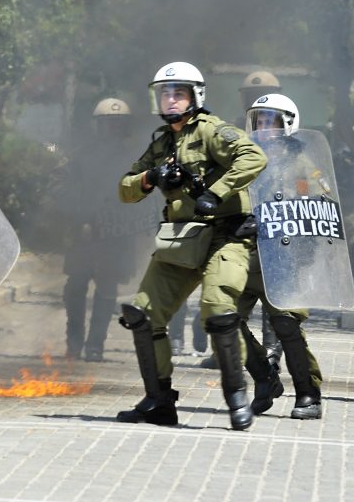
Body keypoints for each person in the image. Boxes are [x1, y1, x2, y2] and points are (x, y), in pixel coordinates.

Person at [116, 61, 266, 430]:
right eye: (164, 93)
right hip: (181, 240)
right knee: (143, 314)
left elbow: (254, 157)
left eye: (178, 93)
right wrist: (151, 177)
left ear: (196, 96)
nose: (170, 100)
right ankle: (159, 402)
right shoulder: (162, 143)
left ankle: (236, 396)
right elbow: (125, 189)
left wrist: (216, 193)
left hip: (225, 237)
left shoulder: (213, 131)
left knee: (217, 310)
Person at [239, 93, 323, 419]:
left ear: (287, 124)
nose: (263, 127)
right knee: (225, 320)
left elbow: (317, 211)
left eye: (270, 120)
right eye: (259, 120)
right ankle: (265, 378)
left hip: (281, 258)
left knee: (286, 326)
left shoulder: (303, 166)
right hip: (244, 256)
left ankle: (309, 395)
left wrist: (302, 253)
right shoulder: (243, 158)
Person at [62, 97, 140, 362]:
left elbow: (139, 198)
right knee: (75, 286)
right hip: (83, 232)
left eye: (117, 124)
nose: (112, 129)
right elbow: (71, 191)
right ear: (98, 126)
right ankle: (73, 342)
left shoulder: (134, 159)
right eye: (107, 124)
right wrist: (80, 220)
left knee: (107, 290)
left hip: (116, 234)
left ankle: (96, 345)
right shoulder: (81, 155)